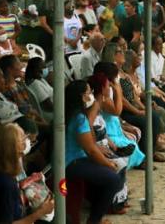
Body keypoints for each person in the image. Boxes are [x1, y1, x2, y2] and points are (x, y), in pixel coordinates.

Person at [63, 80, 125, 224]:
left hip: (76, 159)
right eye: (88, 92)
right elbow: (90, 149)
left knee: (109, 173)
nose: (91, 95)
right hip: (72, 162)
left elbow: (91, 142)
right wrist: (108, 164)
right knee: (113, 179)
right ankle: (95, 220)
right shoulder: (78, 117)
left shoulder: (75, 113)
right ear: (81, 96)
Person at [0, 123, 53, 224]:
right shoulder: (6, 184)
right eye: (23, 138)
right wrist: (40, 213)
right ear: (13, 147)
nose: (26, 142)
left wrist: (25, 183)